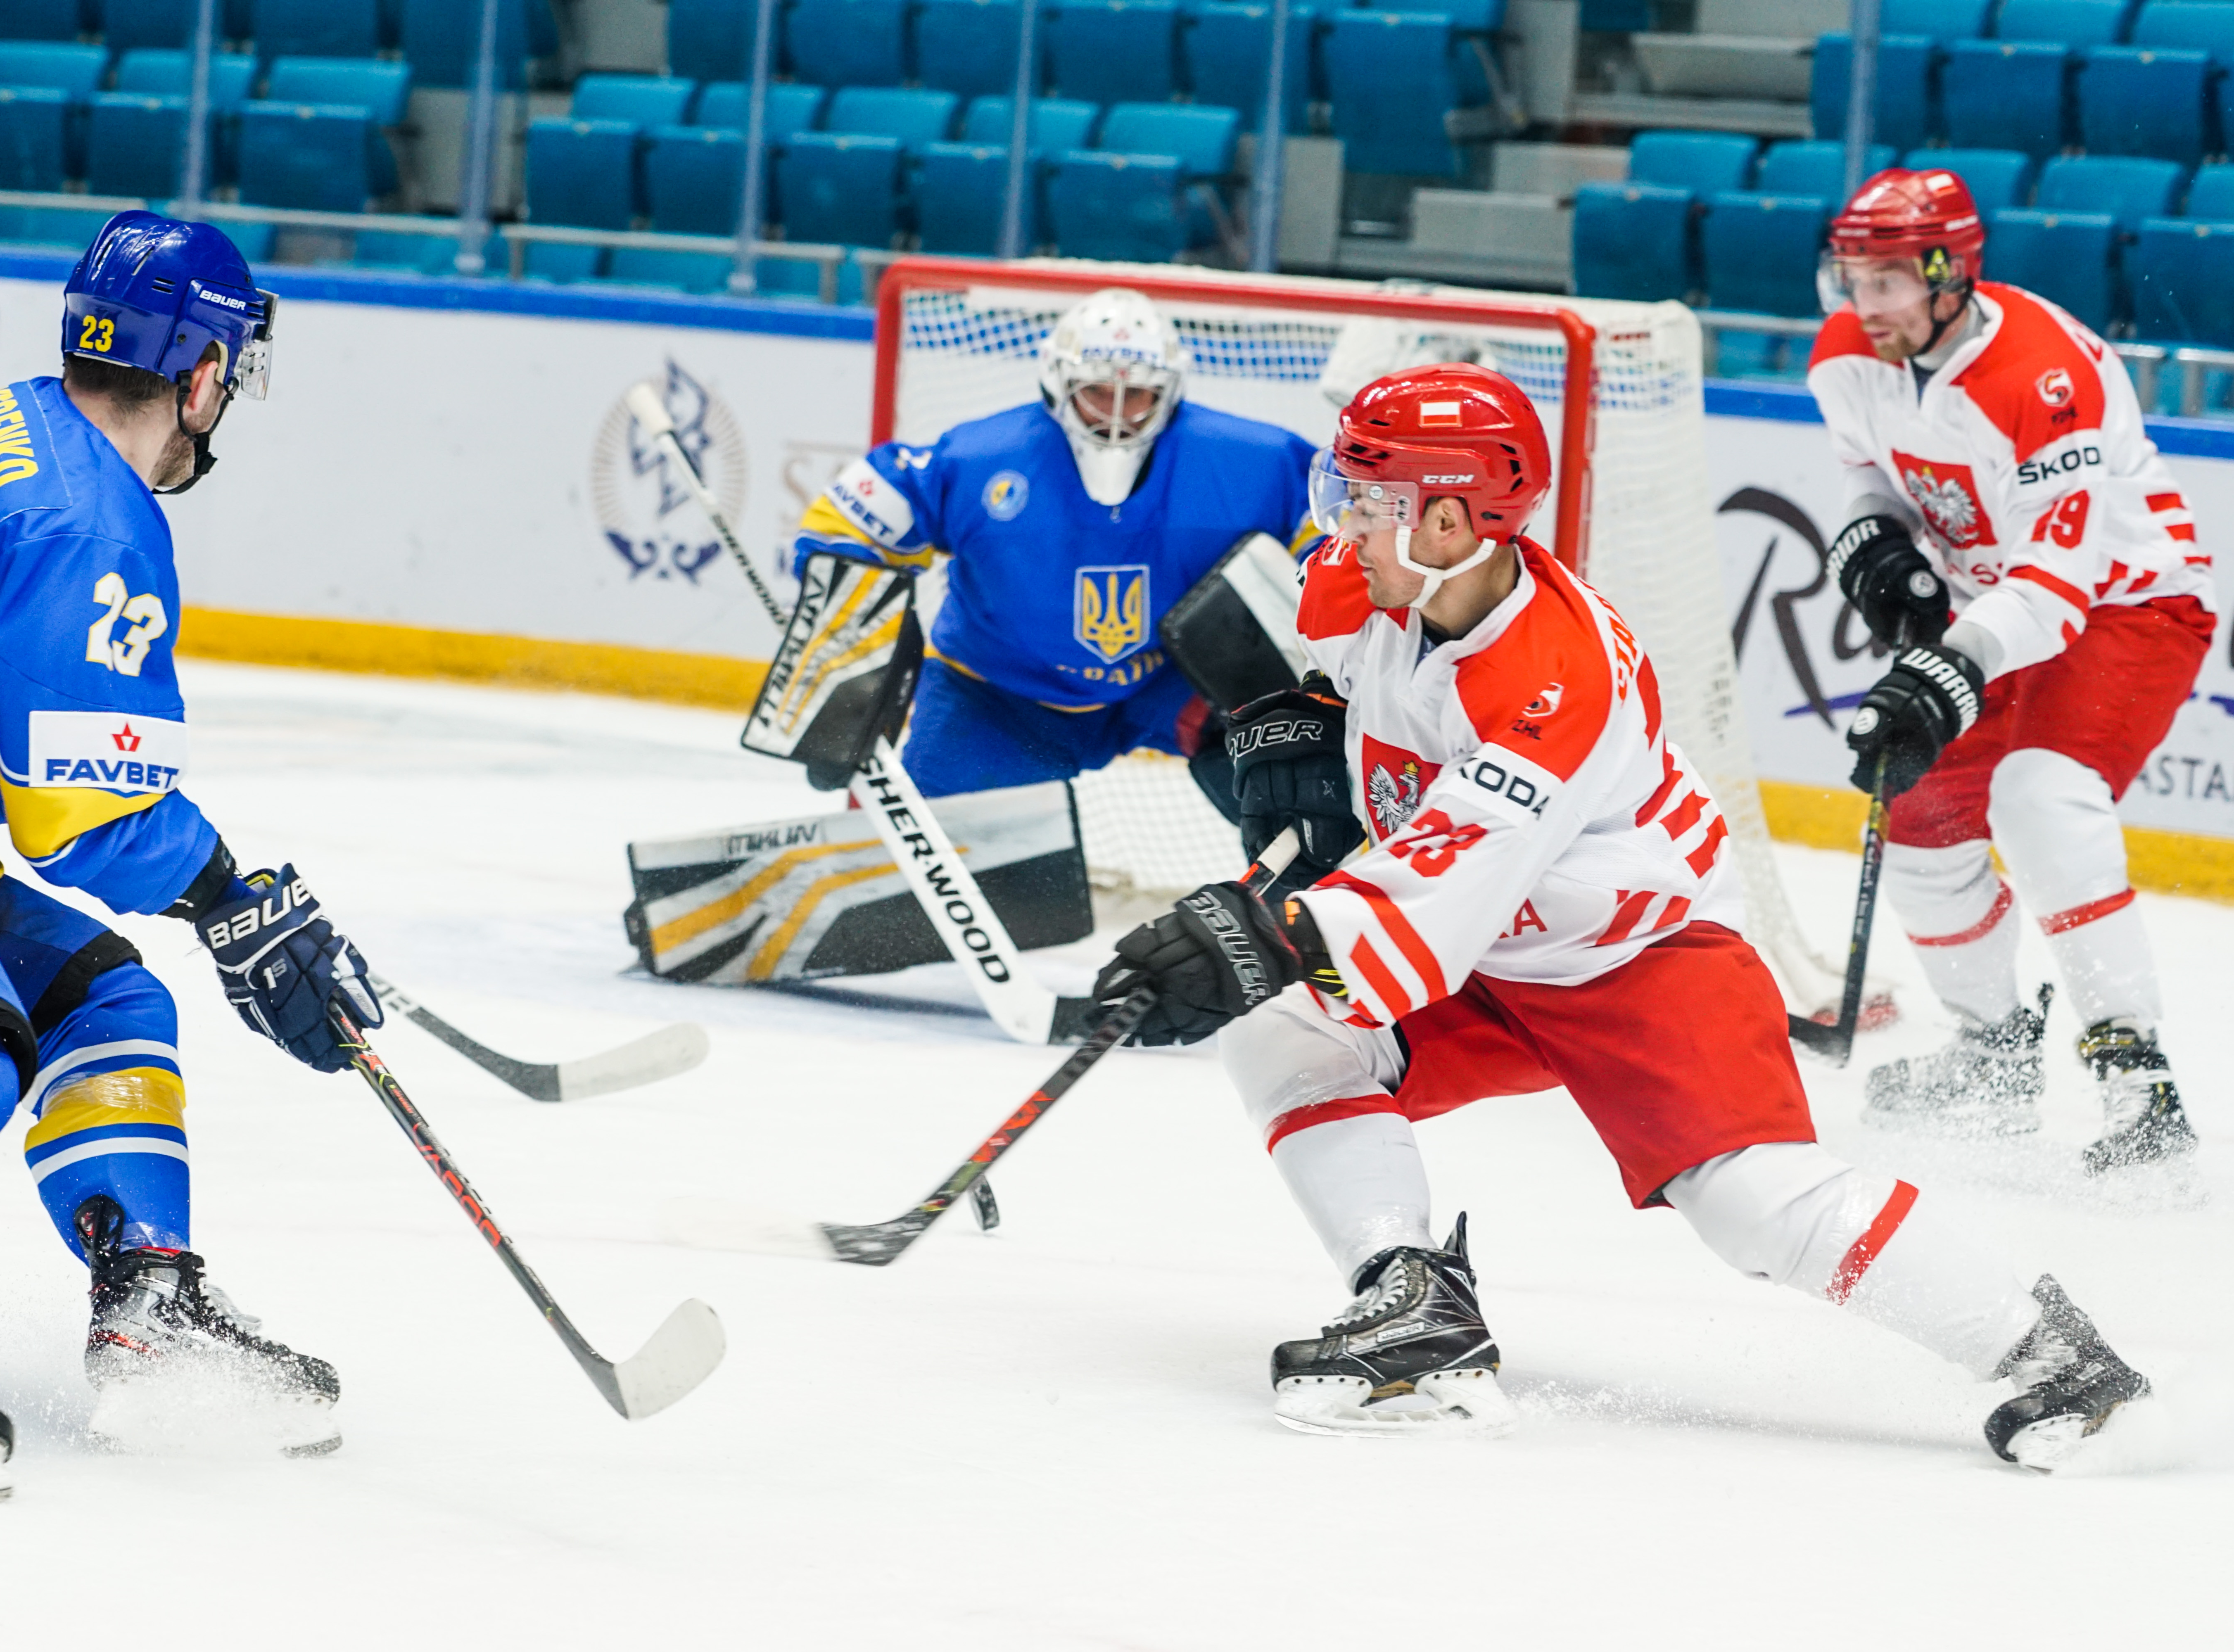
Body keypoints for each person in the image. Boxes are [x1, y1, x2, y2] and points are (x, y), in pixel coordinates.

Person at [1089, 363, 2151, 1471]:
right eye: (1345, 492)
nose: (1341, 524)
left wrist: (1255, 941)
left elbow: (1438, 893)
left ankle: (2057, 1356)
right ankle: (1413, 1300)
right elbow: (1328, 676)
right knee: (1283, 1029)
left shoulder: (1556, 683)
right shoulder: (1375, 581)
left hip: (1638, 956)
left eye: (1369, 499)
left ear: (1448, 523)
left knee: (1754, 1205)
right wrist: (1302, 725)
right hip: (1498, 946)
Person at [0, 211, 384, 1492]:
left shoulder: (23, 420)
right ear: (203, 373)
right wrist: (232, 896)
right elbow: (74, 816)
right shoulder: (90, 522)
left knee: (101, 997)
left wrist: (224, 901)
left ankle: (149, 1309)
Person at [1809, 168, 2214, 1173]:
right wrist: (1877, 537)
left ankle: (2138, 1074)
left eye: (1888, 282)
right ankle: (1993, 1052)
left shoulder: (2044, 375)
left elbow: (2059, 586)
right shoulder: (1847, 353)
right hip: (1991, 604)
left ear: (1950, 274)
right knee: (1914, 808)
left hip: (2128, 603)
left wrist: (1947, 665)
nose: (1865, 304)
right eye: (1853, 279)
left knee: (2041, 797)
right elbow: (1868, 469)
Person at [791, 287, 1317, 809]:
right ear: (1058, 382)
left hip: (1176, 687)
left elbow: (1334, 516)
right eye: (1097, 391)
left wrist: (1318, 630)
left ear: (1169, 392)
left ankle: (1296, 855)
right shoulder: (984, 457)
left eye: (1137, 394)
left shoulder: (1250, 461)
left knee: (1303, 792)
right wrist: (851, 672)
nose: (1115, 413)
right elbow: (846, 521)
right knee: (964, 849)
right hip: (998, 697)